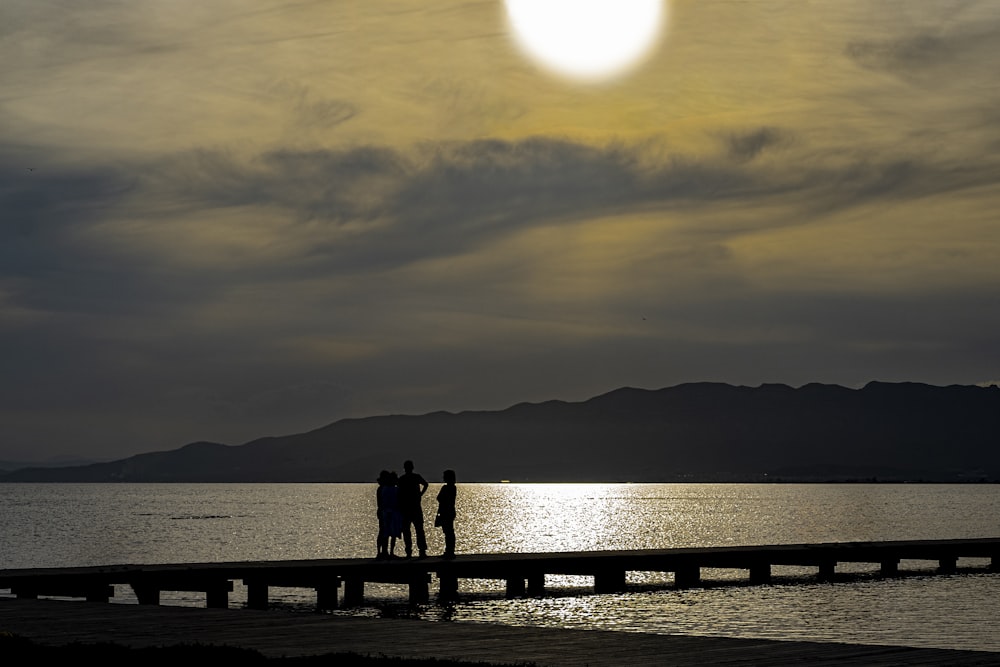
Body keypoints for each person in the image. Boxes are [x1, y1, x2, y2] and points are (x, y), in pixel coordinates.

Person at [396, 459, 429, 559]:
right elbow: (426, 484)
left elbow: (399, 493)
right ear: (412, 467)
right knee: (418, 530)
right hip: (414, 507)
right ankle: (421, 551)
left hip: (406, 508)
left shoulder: (402, 479)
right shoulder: (415, 477)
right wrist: (420, 494)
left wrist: (420, 494)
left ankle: (409, 552)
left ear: (405, 468)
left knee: (408, 531)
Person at [375, 470, 402, 559]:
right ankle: (386, 552)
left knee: (384, 533)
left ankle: (383, 552)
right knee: (388, 533)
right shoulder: (388, 489)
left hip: (385, 512)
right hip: (389, 512)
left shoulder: (383, 489)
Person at [435, 469, 457, 559]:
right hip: (450, 511)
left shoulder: (446, 488)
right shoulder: (453, 487)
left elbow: (439, 498)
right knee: (449, 532)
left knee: (448, 532)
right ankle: (450, 551)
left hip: (446, 512)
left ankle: (449, 552)